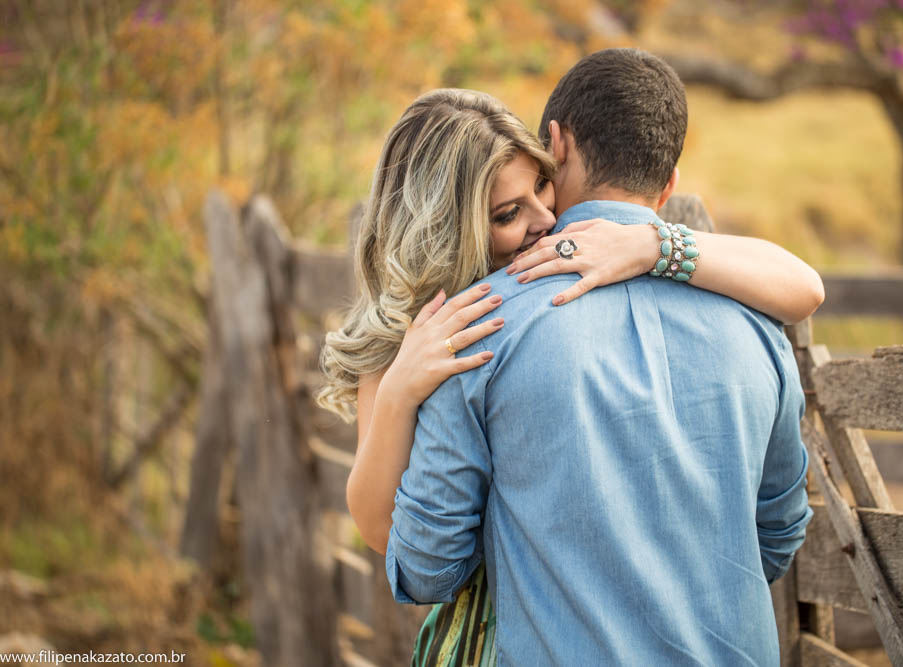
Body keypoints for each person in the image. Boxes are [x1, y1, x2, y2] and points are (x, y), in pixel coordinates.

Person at [321, 77, 818, 663]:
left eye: (542, 186)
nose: (546, 219)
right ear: (449, 226)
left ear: (554, 149)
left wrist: (650, 246)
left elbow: (806, 285)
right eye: (509, 212)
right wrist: (401, 391)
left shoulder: (507, 322)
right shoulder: (440, 336)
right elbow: (388, 535)